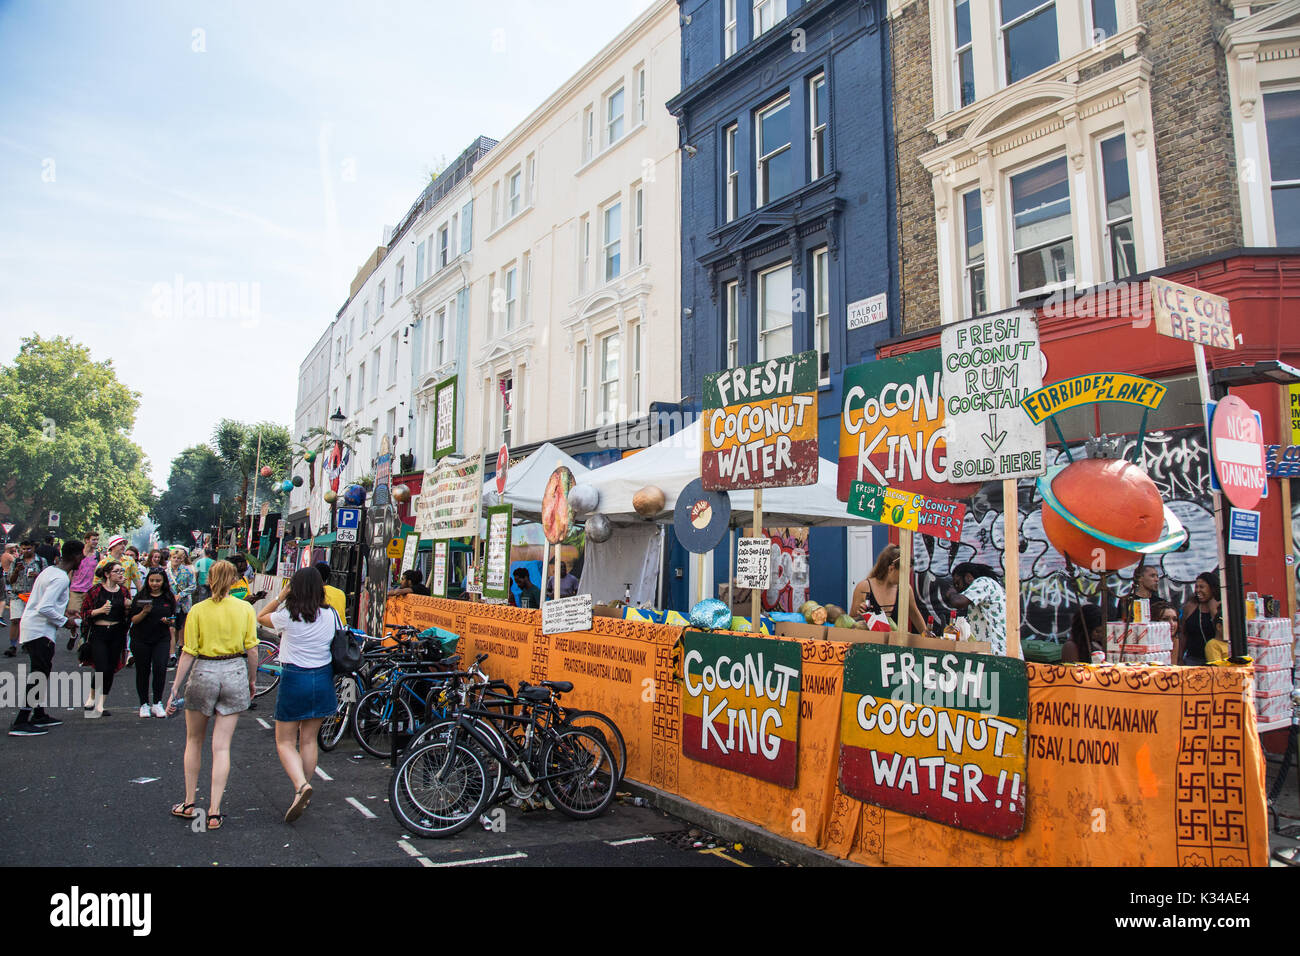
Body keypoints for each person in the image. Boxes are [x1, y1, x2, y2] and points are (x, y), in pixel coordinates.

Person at [166, 560, 260, 830]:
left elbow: (188, 652)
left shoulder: (197, 610)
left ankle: (188, 802)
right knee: (222, 746)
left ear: (208, 581)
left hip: (204, 671)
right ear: (234, 581)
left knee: (194, 741)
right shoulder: (244, 609)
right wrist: (252, 680)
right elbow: (252, 650)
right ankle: (215, 810)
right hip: (234, 671)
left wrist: (175, 687)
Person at [257, 569, 339, 823]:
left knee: (284, 741)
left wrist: (280, 596)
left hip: (295, 677)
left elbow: (260, 617)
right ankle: (302, 789)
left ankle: (300, 785)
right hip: (323, 678)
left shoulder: (288, 615)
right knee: (309, 740)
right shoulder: (330, 613)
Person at [8, 540, 82, 736]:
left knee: (42, 670)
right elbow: (45, 607)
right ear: (76, 557)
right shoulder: (60, 579)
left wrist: (66, 611)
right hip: (39, 630)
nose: (82, 559)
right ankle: (21, 721)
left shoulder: (50, 571)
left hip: (34, 627)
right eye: (81, 556)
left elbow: (45, 602)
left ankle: (38, 715)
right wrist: (66, 621)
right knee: (39, 673)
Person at [83, 561, 131, 715]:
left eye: (121, 571)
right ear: (107, 574)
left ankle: (101, 704)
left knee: (110, 669)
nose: (120, 574)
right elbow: (84, 612)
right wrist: (100, 610)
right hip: (99, 632)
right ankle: (91, 697)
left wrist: (129, 607)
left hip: (117, 632)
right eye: (117, 571)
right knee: (101, 667)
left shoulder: (124, 591)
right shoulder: (96, 591)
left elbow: (128, 615)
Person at [129, 568, 177, 718]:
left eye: (158, 581)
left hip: (161, 638)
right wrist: (144, 612)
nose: (154, 584)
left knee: (160, 668)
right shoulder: (140, 597)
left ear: (163, 582)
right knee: (142, 670)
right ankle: (143, 703)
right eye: (152, 580)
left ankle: (157, 702)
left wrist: (168, 621)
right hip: (141, 638)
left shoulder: (168, 597)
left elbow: (174, 618)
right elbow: (133, 620)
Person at [944, 563, 1019, 657]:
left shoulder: (983, 582)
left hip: (1000, 654)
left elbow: (958, 602)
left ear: (968, 577)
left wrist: (952, 594)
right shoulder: (978, 598)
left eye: (957, 583)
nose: (957, 588)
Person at [852, 545, 929, 635]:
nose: (906, 578)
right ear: (891, 568)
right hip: (869, 644)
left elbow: (915, 616)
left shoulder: (905, 589)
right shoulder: (864, 587)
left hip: (895, 646)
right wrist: (860, 616)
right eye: (904, 574)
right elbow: (850, 622)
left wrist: (928, 638)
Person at [7, 541, 49, 657]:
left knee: (30, 621)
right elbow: (10, 580)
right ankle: (13, 645)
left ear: (34, 548)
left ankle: (27, 642)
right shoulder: (16, 561)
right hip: (18, 594)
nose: (26, 551)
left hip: (34, 595)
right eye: (24, 549)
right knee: (15, 620)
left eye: (28, 549)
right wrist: (16, 571)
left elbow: (47, 579)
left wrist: (38, 575)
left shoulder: (41, 561)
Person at [1178, 571, 1221, 666]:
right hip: (1193, 659)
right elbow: (1183, 634)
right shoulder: (1190, 607)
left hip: (1216, 658)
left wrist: (1213, 610)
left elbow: (1222, 632)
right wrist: (1180, 658)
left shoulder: (1221, 607)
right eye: (1196, 587)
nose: (1198, 590)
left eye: (1202, 587)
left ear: (1212, 588)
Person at [67, 532, 101, 648]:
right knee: (72, 616)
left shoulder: (98, 555)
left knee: (85, 617)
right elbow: (71, 571)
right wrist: (67, 585)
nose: (96, 542)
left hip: (90, 590)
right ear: (86, 540)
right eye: (93, 539)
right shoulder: (78, 555)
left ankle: (83, 638)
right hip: (75, 589)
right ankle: (73, 635)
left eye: (97, 540)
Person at [166, 547, 196, 666]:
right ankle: (172, 654)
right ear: (170, 558)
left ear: (183, 559)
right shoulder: (166, 572)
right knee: (171, 628)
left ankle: (180, 647)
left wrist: (181, 594)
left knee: (182, 627)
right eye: (174, 558)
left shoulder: (187, 571)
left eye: (179, 558)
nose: (176, 560)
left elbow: (193, 586)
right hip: (170, 604)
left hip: (184, 604)